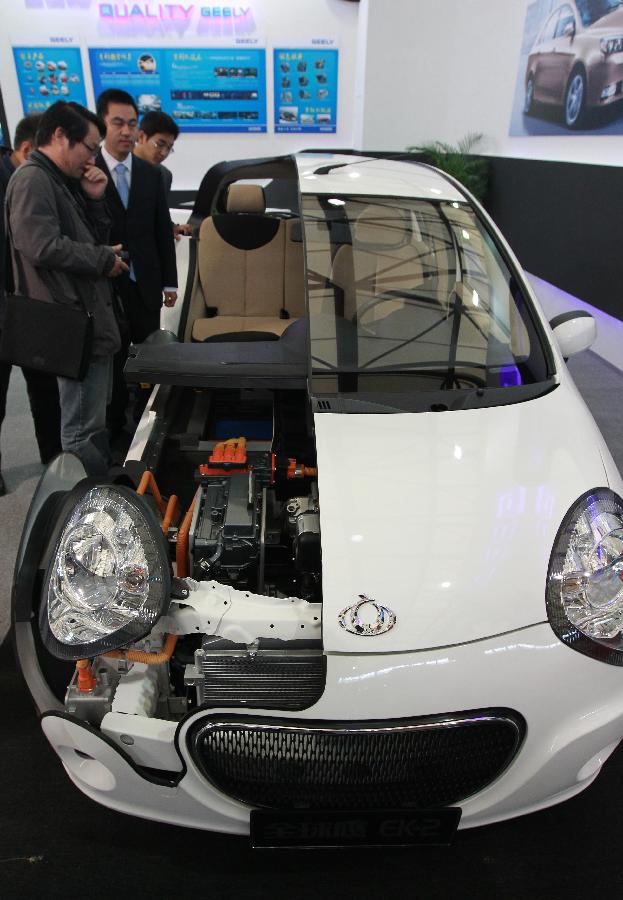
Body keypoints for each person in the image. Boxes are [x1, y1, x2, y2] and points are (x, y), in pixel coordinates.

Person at [5, 101, 128, 476]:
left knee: (92, 422)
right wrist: (102, 260)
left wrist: (94, 200)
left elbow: (83, 239)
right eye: (90, 148)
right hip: (71, 323)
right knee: (79, 430)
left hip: (88, 318)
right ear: (60, 136)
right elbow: (40, 245)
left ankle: (91, 491)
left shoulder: (60, 181)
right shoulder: (32, 179)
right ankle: (79, 506)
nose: (92, 157)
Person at [94, 89, 178, 437]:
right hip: (106, 286)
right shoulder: (88, 170)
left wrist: (170, 282)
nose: (126, 131)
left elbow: (162, 228)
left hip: (145, 282)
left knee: (148, 357)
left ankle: (148, 425)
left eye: (131, 123)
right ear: (103, 125)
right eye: (118, 123)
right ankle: (115, 428)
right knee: (112, 361)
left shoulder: (151, 174)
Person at [0, 114, 62, 494]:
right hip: (5, 301)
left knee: (43, 383)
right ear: (27, 149)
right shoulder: (24, 180)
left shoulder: (34, 179)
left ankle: (52, 457)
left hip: (28, 303)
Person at [133, 110, 190, 239]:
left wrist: (172, 227)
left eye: (169, 148)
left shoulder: (164, 175)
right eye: (160, 144)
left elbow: (156, 214)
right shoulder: (121, 168)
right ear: (141, 137)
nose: (164, 153)